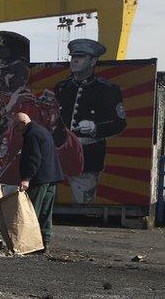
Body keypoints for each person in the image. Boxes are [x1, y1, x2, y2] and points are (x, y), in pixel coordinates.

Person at [0, 31, 79, 185]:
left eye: (7, 71)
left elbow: (74, 164)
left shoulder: (41, 107)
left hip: (27, 184)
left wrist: (56, 124)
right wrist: (7, 109)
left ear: (24, 72)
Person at [53, 38, 126, 204]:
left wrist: (95, 128)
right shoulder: (62, 87)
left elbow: (119, 123)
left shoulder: (107, 89)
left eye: (81, 57)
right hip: (58, 152)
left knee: (83, 204)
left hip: (88, 154)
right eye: (73, 57)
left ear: (93, 61)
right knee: (49, 202)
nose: (75, 60)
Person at [14, 112, 64, 250]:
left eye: (17, 127)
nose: (17, 131)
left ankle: (30, 244)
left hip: (39, 179)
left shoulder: (32, 135)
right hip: (51, 178)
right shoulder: (42, 131)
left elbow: (33, 159)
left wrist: (26, 179)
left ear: (23, 124)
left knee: (32, 211)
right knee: (46, 212)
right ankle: (44, 242)